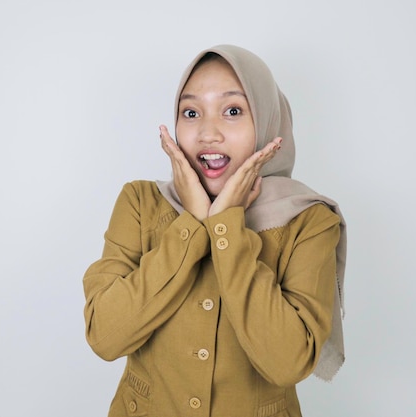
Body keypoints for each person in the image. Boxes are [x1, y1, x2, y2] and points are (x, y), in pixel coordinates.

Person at [83, 44, 347, 417]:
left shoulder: (311, 220)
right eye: (191, 112)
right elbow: (105, 336)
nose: (208, 133)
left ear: (268, 121)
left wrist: (225, 227)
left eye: (233, 111)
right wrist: (192, 224)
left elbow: (288, 362)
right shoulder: (140, 202)